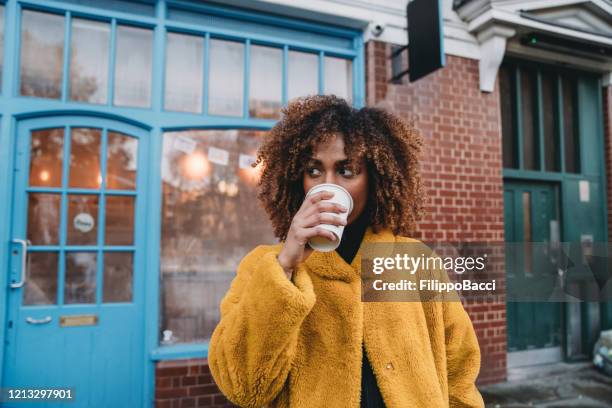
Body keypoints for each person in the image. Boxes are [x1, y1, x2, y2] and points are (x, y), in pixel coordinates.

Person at [208, 95, 485, 407]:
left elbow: (460, 370)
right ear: (298, 179)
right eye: (314, 170)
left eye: (347, 170)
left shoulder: (417, 262)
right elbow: (244, 388)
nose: (327, 184)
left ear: (375, 179)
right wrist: (285, 265)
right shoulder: (266, 267)